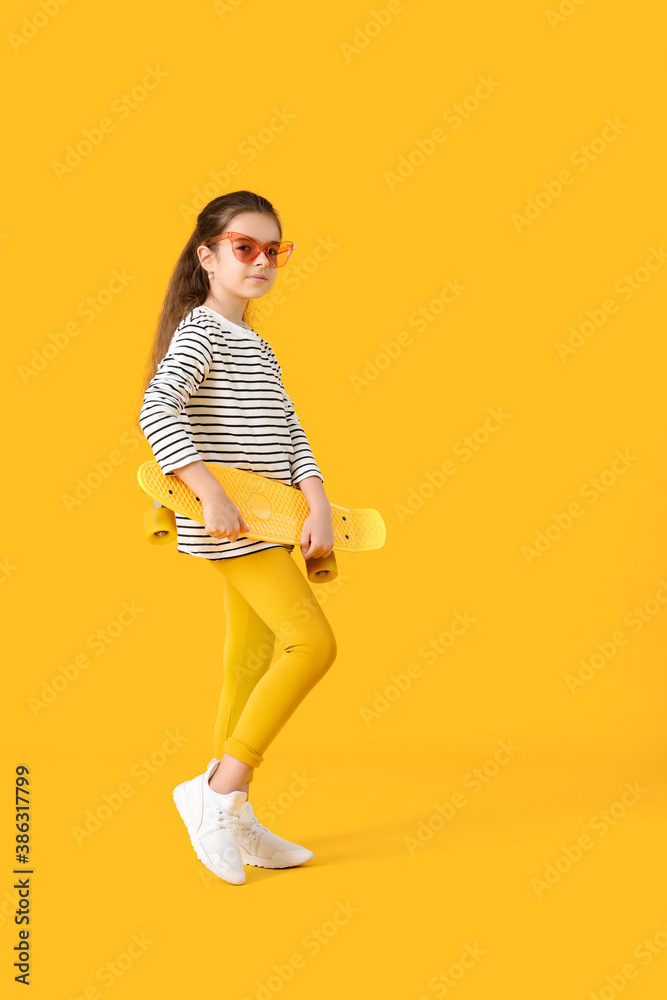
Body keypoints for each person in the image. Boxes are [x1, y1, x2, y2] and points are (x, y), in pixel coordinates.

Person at [138, 190, 337, 885]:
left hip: (273, 520)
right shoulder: (200, 331)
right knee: (312, 644)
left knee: (248, 661)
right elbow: (156, 407)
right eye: (242, 247)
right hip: (233, 525)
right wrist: (209, 490)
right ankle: (219, 792)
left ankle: (232, 809)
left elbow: (290, 433)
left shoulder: (255, 342)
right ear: (208, 256)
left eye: (272, 250)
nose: (260, 261)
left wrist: (316, 503)